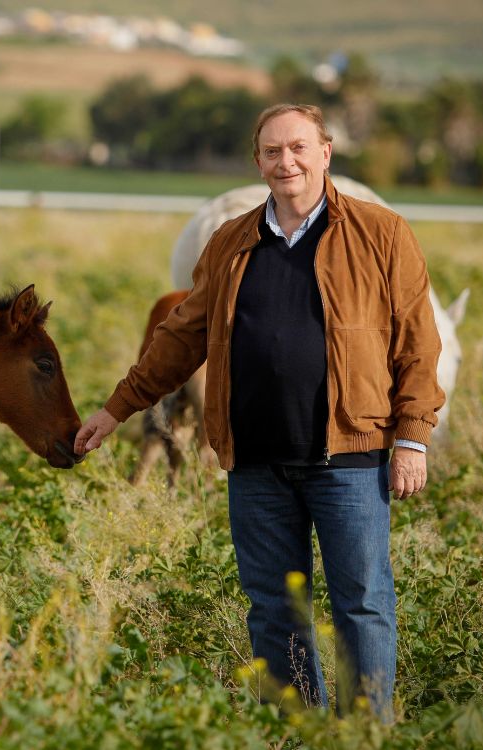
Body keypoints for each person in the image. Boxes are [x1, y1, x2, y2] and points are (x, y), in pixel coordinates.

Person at [73, 103, 444, 720]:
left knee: (362, 603)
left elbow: (417, 343)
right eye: (272, 152)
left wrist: (412, 438)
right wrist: (117, 409)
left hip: (349, 456)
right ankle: (298, 728)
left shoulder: (383, 234)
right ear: (258, 162)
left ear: (325, 153)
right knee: (273, 607)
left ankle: (365, 733)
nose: (285, 161)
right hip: (255, 463)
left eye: (298, 148)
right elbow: (180, 337)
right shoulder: (231, 242)